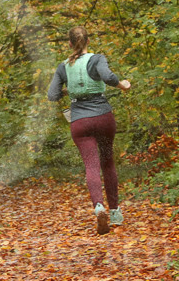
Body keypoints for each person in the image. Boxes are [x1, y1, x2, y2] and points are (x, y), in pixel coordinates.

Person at [48, 26, 132, 234]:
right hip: (103, 117)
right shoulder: (97, 59)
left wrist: (69, 90)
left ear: (69, 43)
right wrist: (122, 85)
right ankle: (115, 212)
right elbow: (108, 77)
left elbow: (52, 95)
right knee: (108, 162)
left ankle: (98, 206)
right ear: (87, 41)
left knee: (91, 165)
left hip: (80, 121)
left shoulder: (64, 66)